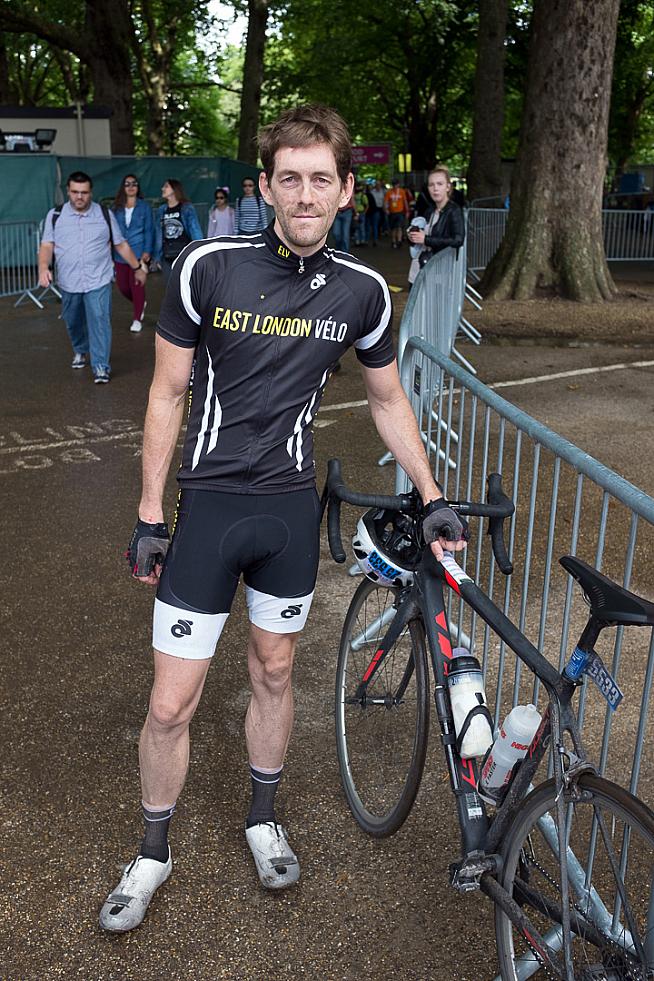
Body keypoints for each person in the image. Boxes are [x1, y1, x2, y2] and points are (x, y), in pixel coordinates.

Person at [99, 104, 467, 933]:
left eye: (322, 180)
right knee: (170, 704)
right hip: (208, 511)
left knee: (274, 671)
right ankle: (153, 851)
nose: (306, 194)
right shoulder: (206, 266)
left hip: (288, 515)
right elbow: (166, 391)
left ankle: (264, 818)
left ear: (345, 191)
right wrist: (150, 513)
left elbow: (387, 399)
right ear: (266, 185)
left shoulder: (363, 291)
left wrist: (434, 493)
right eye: (290, 178)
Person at [38, 171, 148, 384]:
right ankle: (80, 349)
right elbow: (46, 245)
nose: (80, 197)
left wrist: (138, 267)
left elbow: (120, 243)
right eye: (75, 192)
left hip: (98, 279)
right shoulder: (55, 216)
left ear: (91, 193)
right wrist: (43, 267)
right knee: (72, 320)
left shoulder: (104, 215)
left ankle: (100, 365)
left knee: (99, 320)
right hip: (69, 281)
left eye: (84, 192)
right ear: (68, 191)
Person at [407, 165, 465, 287]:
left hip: (441, 271)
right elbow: (424, 235)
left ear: (448, 187)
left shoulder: (454, 210)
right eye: (431, 185)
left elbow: (458, 240)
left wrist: (426, 239)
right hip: (421, 267)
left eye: (440, 184)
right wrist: (413, 236)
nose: (435, 188)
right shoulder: (430, 210)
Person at [112, 174, 155, 333]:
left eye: (134, 184)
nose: (131, 187)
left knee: (137, 285)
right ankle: (140, 302)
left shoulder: (145, 207)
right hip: (120, 254)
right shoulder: (115, 208)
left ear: (138, 187)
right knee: (122, 286)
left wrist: (147, 251)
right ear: (123, 187)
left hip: (138, 251)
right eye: (127, 184)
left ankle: (137, 319)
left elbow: (149, 230)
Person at [154, 180, 203, 283]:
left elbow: (195, 230)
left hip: (183, 254)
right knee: (170, 286)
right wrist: (157, 257)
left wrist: (199, 251)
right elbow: (158, 235)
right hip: (167, 255)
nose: (162, 189)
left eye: (166, 186)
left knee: (184, 286)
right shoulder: (161, 210)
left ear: (174, 189)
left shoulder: (186, 208)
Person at [384, 177, 410, 248]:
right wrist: (386, 209)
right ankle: (393, 241)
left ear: (398, 185)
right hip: (392, 213)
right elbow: (386, 202)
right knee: (393, 228)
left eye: (396, 184)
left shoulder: (402, 191)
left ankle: (399, 241)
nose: (395, 186)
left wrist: (407, 210)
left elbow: (405, 201)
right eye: (394, 184)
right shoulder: (389, 192)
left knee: (399, 227)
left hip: (400, 212)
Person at [331, 184, 357, 251]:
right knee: (336, 234)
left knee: (345, 235)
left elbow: (352, 199)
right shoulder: (335, 186)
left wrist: (356, 212)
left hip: (347, 212)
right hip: (337, 213)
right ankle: (338, 251)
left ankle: (344, 253)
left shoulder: (349, 187)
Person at [366, 179, 385, 246]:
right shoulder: (372, 192)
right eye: (377, 185)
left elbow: (384, 202)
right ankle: (368, 240)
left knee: (376, 225)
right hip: (372, 210)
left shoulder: (383, 192)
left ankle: (375, 239)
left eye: (379, 185)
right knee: (371, 226)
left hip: (379, 209)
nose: (378, 186)